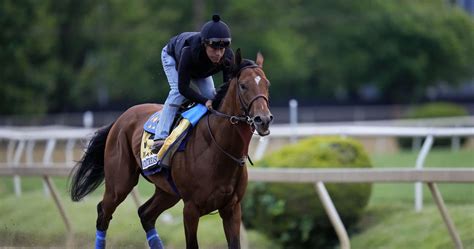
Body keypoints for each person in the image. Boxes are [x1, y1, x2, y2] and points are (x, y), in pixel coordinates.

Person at [151, 14, 235, 153]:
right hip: (173, 57)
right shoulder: (189, 52)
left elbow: (227, 87)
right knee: (177, 93)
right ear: (204, 44)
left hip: (199, 68)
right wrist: (204, 101)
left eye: (221, 49)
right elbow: (183, 88)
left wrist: (210, 100)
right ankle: (160, 136)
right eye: (214, 49)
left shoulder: (228, 56)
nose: (218, 54)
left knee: (212, 96)